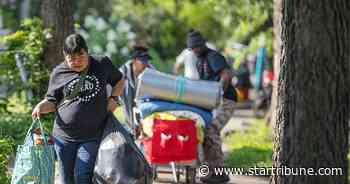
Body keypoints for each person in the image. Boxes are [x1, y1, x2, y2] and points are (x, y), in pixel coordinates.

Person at [31, 33, 124, 184]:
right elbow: (52, 101)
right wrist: (41, 106)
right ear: (64, 56)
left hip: (92, 135)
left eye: (80, 56)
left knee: (82, 175)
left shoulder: (101, 63)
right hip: (63, 137)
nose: (77, 61)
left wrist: (114, 98)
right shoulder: (58, 73)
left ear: (87, 51)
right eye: (71, 58)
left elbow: (120, 80)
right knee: (66, 179)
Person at [186, 30, 236, 183]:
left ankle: (219, 173)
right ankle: (210, 171)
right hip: (210, 101)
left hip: (226, 99)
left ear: (202, 44)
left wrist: (218, 93)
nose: (195, 50)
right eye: (192, 48)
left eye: (197, 47)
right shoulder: (198, 60)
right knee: (204, 132)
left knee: (212, 130)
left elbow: (226, 75)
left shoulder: (213, 56)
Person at [119, 45, 154, 136]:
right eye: (142, 61)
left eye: (147, 60)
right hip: (128, 115)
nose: (145, 63)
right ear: (134, 60)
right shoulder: (122, 73)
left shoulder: (151, 70)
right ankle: (132, 129)